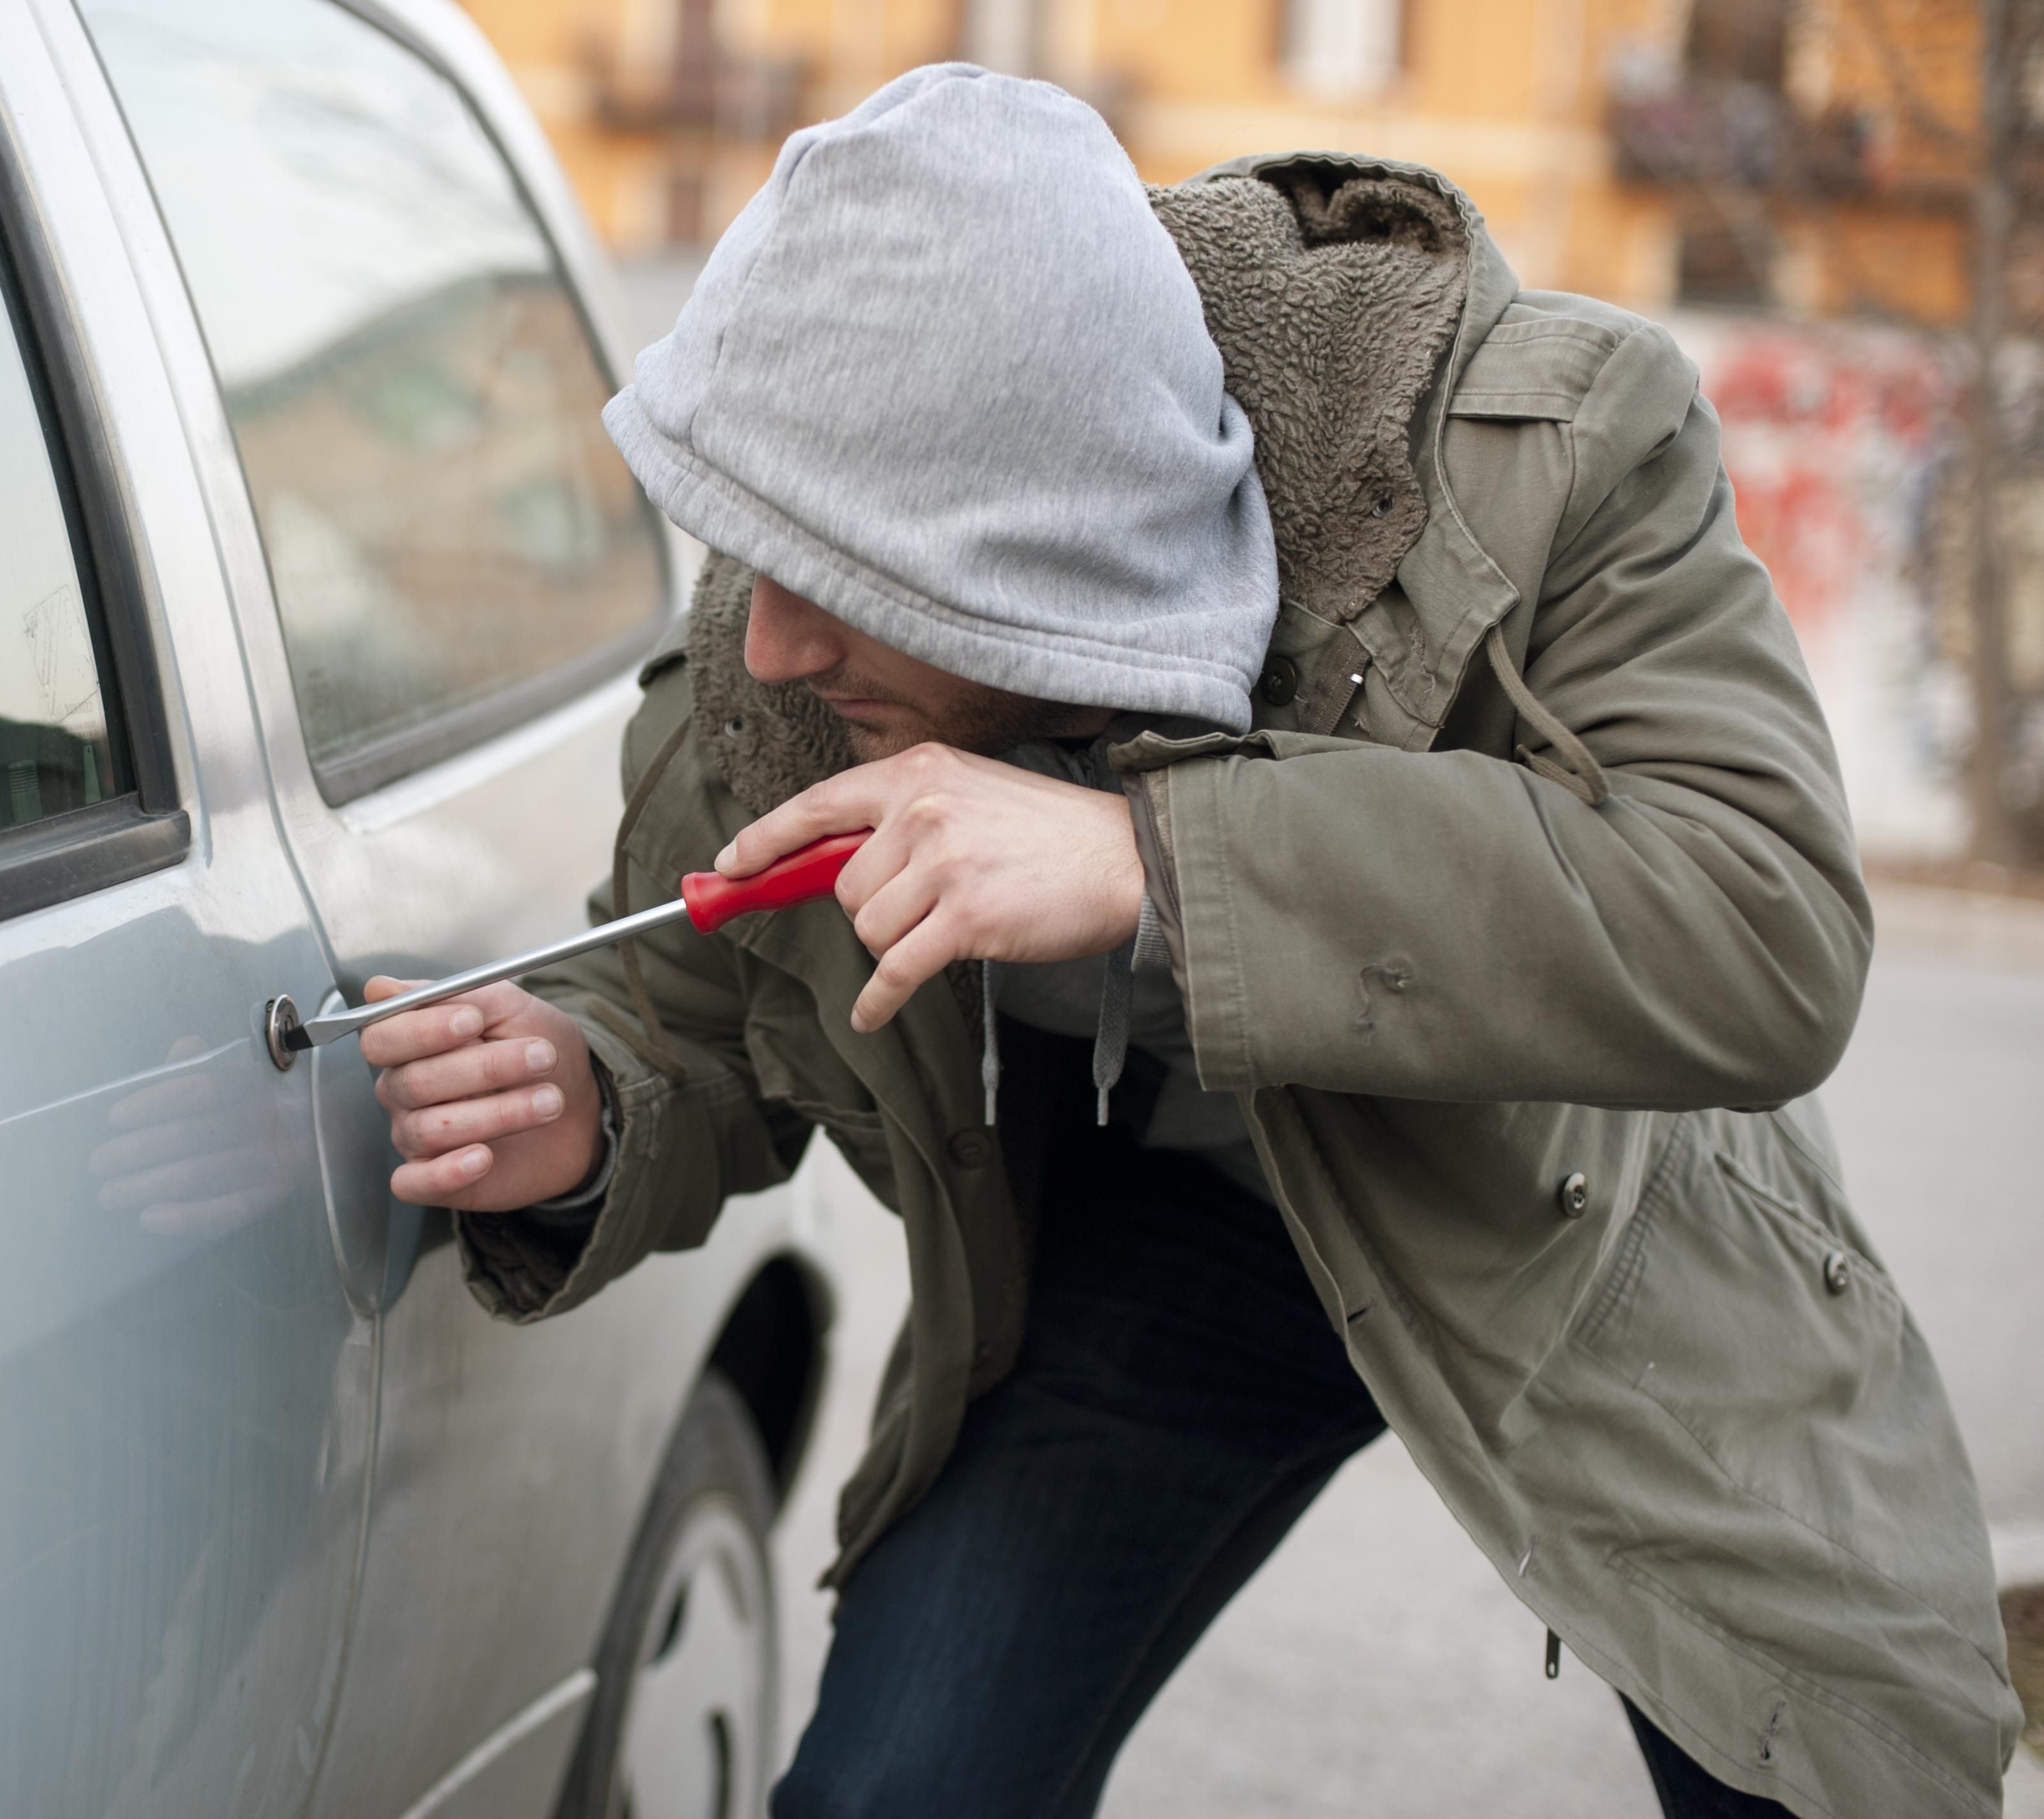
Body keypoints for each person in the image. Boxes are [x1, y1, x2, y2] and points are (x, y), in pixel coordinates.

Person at [360, 65, 2019, 1819]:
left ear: (1033, 545)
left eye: (835, 577)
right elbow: (699, 1004)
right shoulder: (775, 673)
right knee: (897, 1792)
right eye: (750, 550)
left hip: (1577, 1210)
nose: (767, 647)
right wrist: (588, 1100)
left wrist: (1150, 858)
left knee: (1824, 1781)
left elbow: (1761, 922)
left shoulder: (1550, 450)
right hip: (1187, 1251)